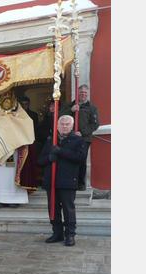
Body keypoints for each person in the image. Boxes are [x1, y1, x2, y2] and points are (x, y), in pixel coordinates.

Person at [38, 115, 86, 247]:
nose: (64, 126)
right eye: (62, 124)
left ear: (72, 126)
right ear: (57, 126)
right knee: (53, 209)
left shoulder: (78, 140)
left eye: (67, 124)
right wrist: (49, 158)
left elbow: (80, 158)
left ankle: (70, 234)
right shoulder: (51, 140)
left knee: (68, 209)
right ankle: (57, 233)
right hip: (51, 181)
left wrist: (61, 151)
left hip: (68, 180)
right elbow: (40, 160)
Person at [60, 84, 99, 190]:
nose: (83, 94)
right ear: (77, 93)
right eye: (81, 92)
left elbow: (95, 124)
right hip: (70, 138)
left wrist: (82, 133)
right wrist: (71, 110)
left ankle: (81, 184)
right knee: (68, 159)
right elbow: (60, 116)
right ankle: (70, 182)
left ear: (88, 94)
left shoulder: (92, 108)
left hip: (84, 139)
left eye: (85, 93)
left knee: (81, 160)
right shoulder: (70, 105)